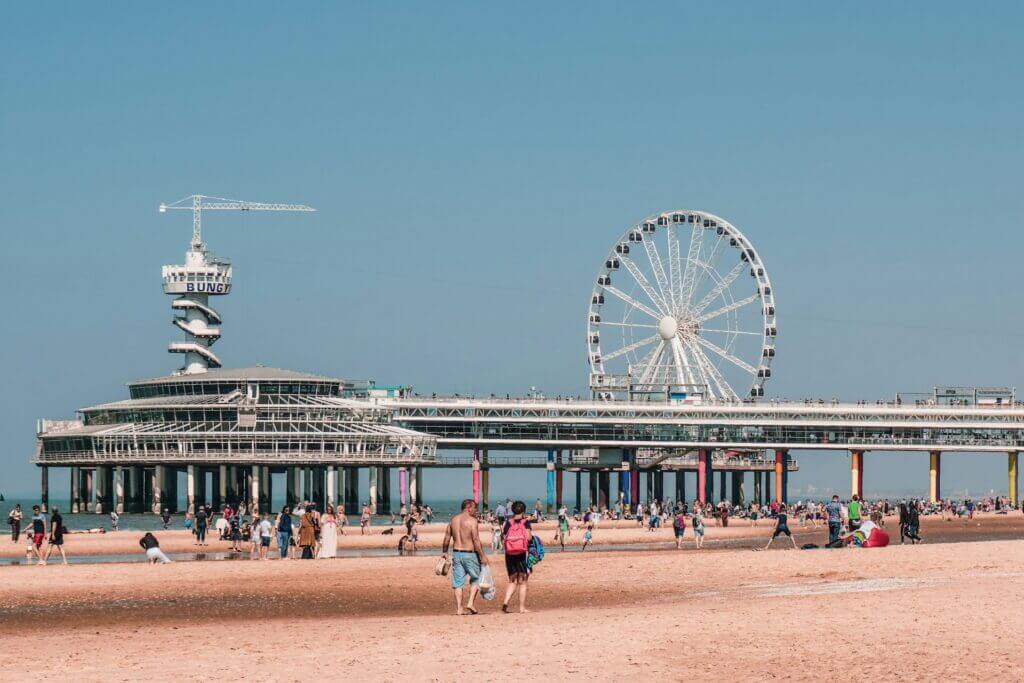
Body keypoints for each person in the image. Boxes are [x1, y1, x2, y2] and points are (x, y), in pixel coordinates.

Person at [441, 499, 489, 616]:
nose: (475, 511)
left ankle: (459, 609)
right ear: (468, 507)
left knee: (458, 583)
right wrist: (482, 555)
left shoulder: (453, 520)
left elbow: (447, 537)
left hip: (456, 553)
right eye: (474, 508)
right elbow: (476, 540)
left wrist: (445, 552)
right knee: (476, 578)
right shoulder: (472, 521)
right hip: (469, 553)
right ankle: (470, 603)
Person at [501, 500, 533, 614]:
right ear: (523, 510)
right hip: (521, 553)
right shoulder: (525, 522)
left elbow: (504, 536)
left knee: (512, 580)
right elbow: (529, 538)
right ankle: (522, 608)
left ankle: (506, 602)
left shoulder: (508, 522)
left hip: (509, 553)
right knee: (523, 581)